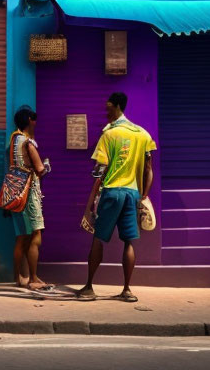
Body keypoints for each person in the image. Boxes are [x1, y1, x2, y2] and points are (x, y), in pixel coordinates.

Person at [78, 92, 155, 302]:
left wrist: (91, 200)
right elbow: (149, 169)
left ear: (118, 106)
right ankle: (127, 290)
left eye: (109, 107)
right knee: (129, 242)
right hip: (132, 194)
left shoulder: (108, 135)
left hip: (111, 192)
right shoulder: (143, 134)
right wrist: (144, 196)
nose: (106, 111)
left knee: (98, 239)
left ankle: (88, 287)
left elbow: (99, 170)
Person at [9, 105, 49, 290]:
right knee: (36, 235)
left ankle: (18, 278)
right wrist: (46, 167)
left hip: (15, 193)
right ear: (29, 121)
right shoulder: (28, 143)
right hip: (29, 193)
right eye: (34, 119)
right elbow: (40, 169)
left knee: (21, 237)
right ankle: (33, 278)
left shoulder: (14, 141)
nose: (36, 122)